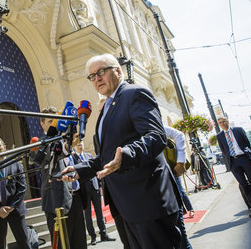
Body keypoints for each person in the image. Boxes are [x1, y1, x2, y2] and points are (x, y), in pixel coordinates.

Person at [61, 53, 182, 249]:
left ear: (118, 70)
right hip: (124, 205)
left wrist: (126, 155)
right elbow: (106, 157)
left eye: (101, 72)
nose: (97, 78)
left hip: (147, 202)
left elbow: (156, 136)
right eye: (92, 76)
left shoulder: (134, 94)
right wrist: (79, 170)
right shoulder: (107, 107)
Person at [36, 107, 87, 249]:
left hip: (75, 198)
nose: (55, 125)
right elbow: (54, 153)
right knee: (62, 245)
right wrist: (67, 145)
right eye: (51, 122)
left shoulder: (66, 140)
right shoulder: (42, 144)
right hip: (56, 201)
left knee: (80, 242)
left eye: (57, 121)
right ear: (42, 124)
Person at [0, 137, 31, 249]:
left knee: (24, 243)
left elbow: (22, 188)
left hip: (15, 211)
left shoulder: (16, 164)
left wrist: (12, 206)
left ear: (4, 147)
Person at [216, 116, 251, 218]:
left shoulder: (238, 130)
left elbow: (246, 143)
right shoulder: (219, 136)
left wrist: (245, 153)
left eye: (224, 121)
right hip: (233, 162)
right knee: (243, 185)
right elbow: (224, 150)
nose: (222, 123)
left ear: (227, 121)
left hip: (244, 159)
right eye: (220, 122)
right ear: (219, 125)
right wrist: (229, 162)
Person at [74, 141, 115, 245]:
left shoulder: (89, 155)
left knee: (99, 212)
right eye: (78, 144)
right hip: (84, 191)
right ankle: (93, 236)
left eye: (81, 143)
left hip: (95, 188)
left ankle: (103, 233)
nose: (80, 145)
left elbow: (96, 171)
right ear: (74, 147)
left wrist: (100, 186)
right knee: (87, 215)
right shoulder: (73, 159)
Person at [164, 126, 193, 249]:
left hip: (170, 175)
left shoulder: (150, 121)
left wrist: (180, 161)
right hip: (152, 185)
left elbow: (179, 135)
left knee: (178, 228)